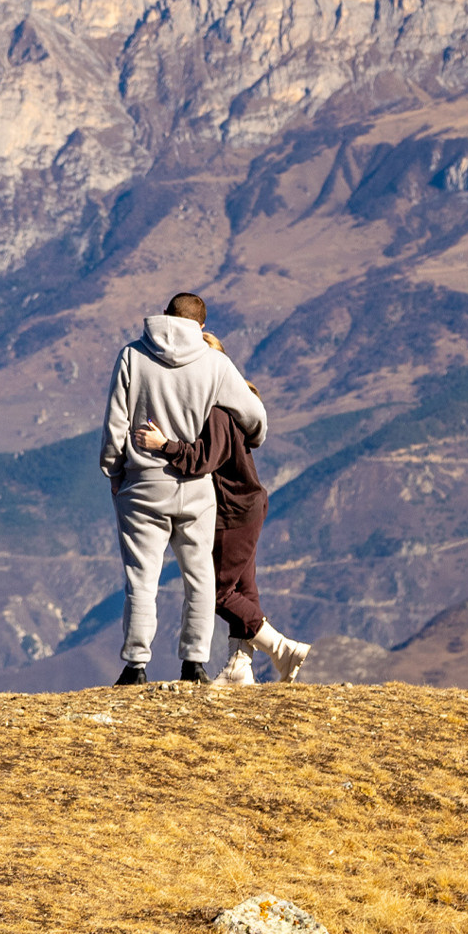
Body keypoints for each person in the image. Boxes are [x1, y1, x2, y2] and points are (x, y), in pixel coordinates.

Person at [98, 292, 251, 685]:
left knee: (141, 577)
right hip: (196, 487)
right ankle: (194, 664)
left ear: (165, 317)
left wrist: (115, 472)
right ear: (201, 327)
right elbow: (255, 416)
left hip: (143, 485)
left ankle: (135, 665)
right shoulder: (215, 363)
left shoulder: (132, 356)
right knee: (200, 576)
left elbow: (116, 422)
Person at [131, 350, 310, 685]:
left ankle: (282, 649)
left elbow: (201, 460)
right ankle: (239, 667)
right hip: (247, 506)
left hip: (233, 511)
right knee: (244, 588)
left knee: (213, 592)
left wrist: (163, 444)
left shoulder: (216, 414)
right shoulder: (230, 410)